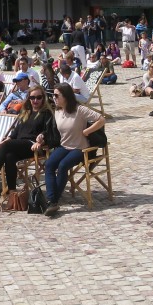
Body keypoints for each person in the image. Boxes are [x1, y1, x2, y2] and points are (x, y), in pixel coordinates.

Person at [0, 84, 58, 194]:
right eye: (32, 98)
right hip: (20, 144)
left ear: (43, 98)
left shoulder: (46, 113)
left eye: (39, 97)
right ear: (28, 98)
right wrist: (8, 138)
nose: (35, 100)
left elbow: (49, 130)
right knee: (9, 156)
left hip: (34, 145)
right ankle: (12, 191)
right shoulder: (26, 112)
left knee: (7, 146)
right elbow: (16, 132)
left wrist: (42, 137)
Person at [43, 83, 103, 216]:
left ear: (66, 96)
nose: (54, 98)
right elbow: (52, 131)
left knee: (63, 166)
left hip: (80, 148)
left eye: (57, 95)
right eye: (53, 95)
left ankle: (52, 201)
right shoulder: (58, 111)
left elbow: (101, 119)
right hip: (64, 146)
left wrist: (87, 131)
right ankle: (52, 200)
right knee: (49, 165)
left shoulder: (79, 110)